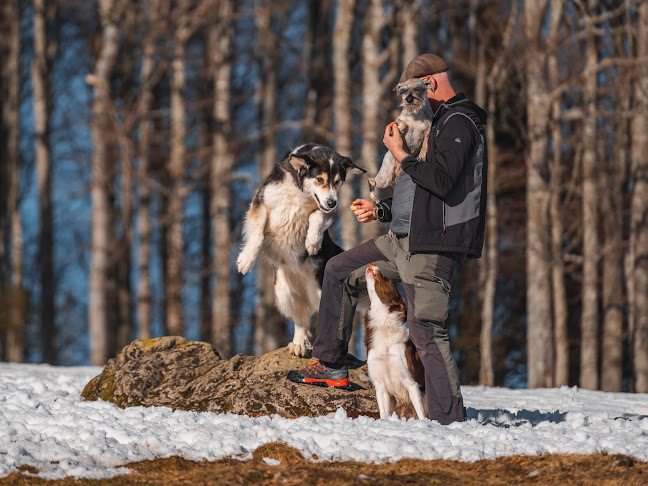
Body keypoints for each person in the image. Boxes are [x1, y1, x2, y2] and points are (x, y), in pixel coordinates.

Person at [287, 53, 488, 425]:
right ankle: (331, 363)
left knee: (427, 329)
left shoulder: (461, 121)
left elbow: (442, 183)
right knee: (339, 269)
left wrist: (399, 153)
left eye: (412, 93)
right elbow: (420, 193)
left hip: (434, 245)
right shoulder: (436, 123)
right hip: (401, 239)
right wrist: (380, 212)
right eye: (403, 95)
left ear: (429, 85)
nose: (407, 102)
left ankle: (450, 420)